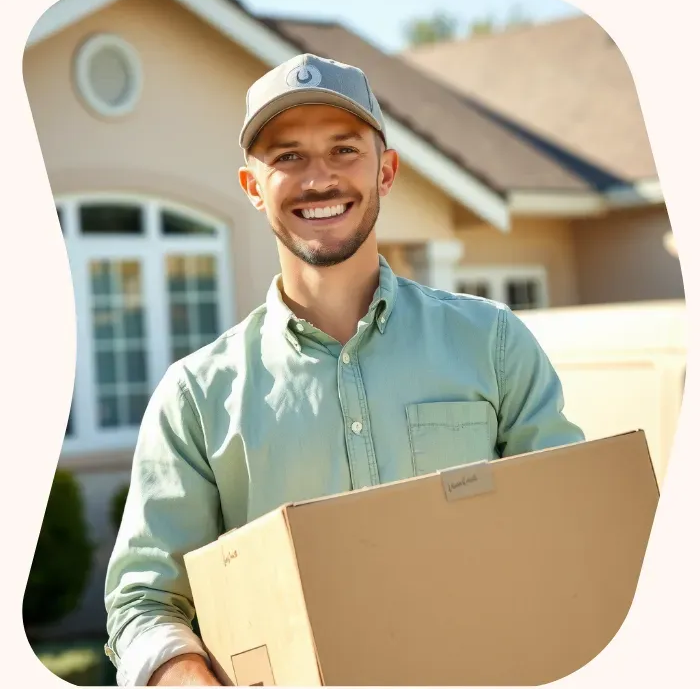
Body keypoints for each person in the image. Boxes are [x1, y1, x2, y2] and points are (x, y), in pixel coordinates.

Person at [104, 53, 585, 686]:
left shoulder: (492, 343)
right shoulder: (194, 397)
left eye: (343, 150)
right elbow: (143, 604)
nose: (320, 179)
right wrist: (183, 672)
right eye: (288, 156)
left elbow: (569, 525)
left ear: (386, 171)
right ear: (253, 187)